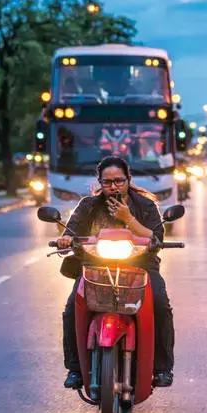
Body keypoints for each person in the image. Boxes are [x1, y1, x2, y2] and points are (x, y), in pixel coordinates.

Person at [56, 156, 175, 390]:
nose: (113, 187)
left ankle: (162, 368)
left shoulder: (144, 205)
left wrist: (127, 218)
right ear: (100, 182)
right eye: (107, 182)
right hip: (94, 266)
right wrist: (66, 239)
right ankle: (75, 369)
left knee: (160, 303)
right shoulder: (88, 205)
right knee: (72, 307)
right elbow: (71, 231)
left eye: (119, 181)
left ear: (128, 179)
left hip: (141, 265)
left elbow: (156, 238)